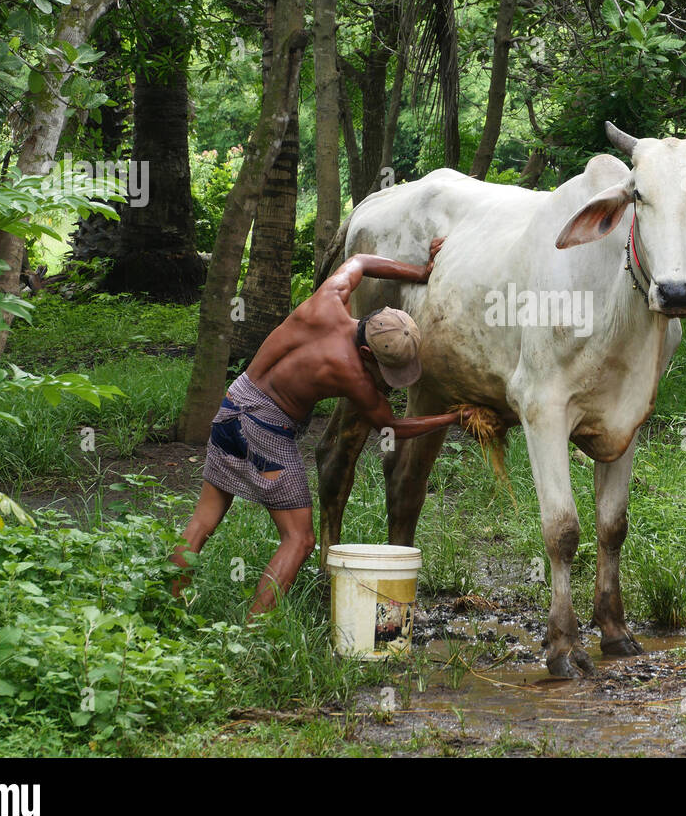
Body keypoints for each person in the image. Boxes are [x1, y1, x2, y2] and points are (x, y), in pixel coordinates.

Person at [170, 238, 471, 615]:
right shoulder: (354, 378)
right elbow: (393, 426)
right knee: (299, 539)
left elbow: (359, 260)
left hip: (234, 404)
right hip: (266, 431)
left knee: (202, 521)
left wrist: (421, 272)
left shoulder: (331, 296)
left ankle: (166, 606)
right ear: (366, 354)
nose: (383, 377)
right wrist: (454, 417)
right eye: (385, 368)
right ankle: (254, 629)